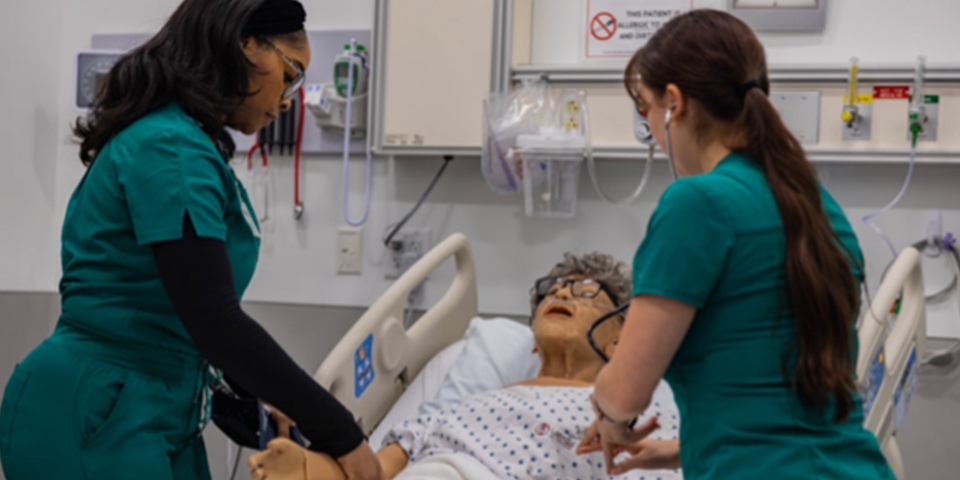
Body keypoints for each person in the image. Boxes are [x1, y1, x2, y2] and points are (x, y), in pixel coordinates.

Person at [0, 1, 380, 479]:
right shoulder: (169, 148)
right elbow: (213, 318)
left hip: (154, 408)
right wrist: (341, 434)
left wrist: (259, 391)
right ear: (245, 46)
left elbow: (189, 314)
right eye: (292, 74)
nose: (288, 99)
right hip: (95, 413)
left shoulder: (186, 143)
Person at [579, 10, 894, 480]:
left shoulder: (697, 203)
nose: (652, 134)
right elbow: (786, 402)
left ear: (675, 102)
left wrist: (610, 418)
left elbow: (625, 393)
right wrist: (681, 450)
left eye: (647, 109)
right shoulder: (817, 205)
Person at [247, 253, 683, 480]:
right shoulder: (464, 405)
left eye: (587, 292)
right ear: (532, 343)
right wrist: (311, 468)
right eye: (553, 290)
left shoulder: (630, 421)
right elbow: (375, 470)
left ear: (620, 338)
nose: (562, 295)